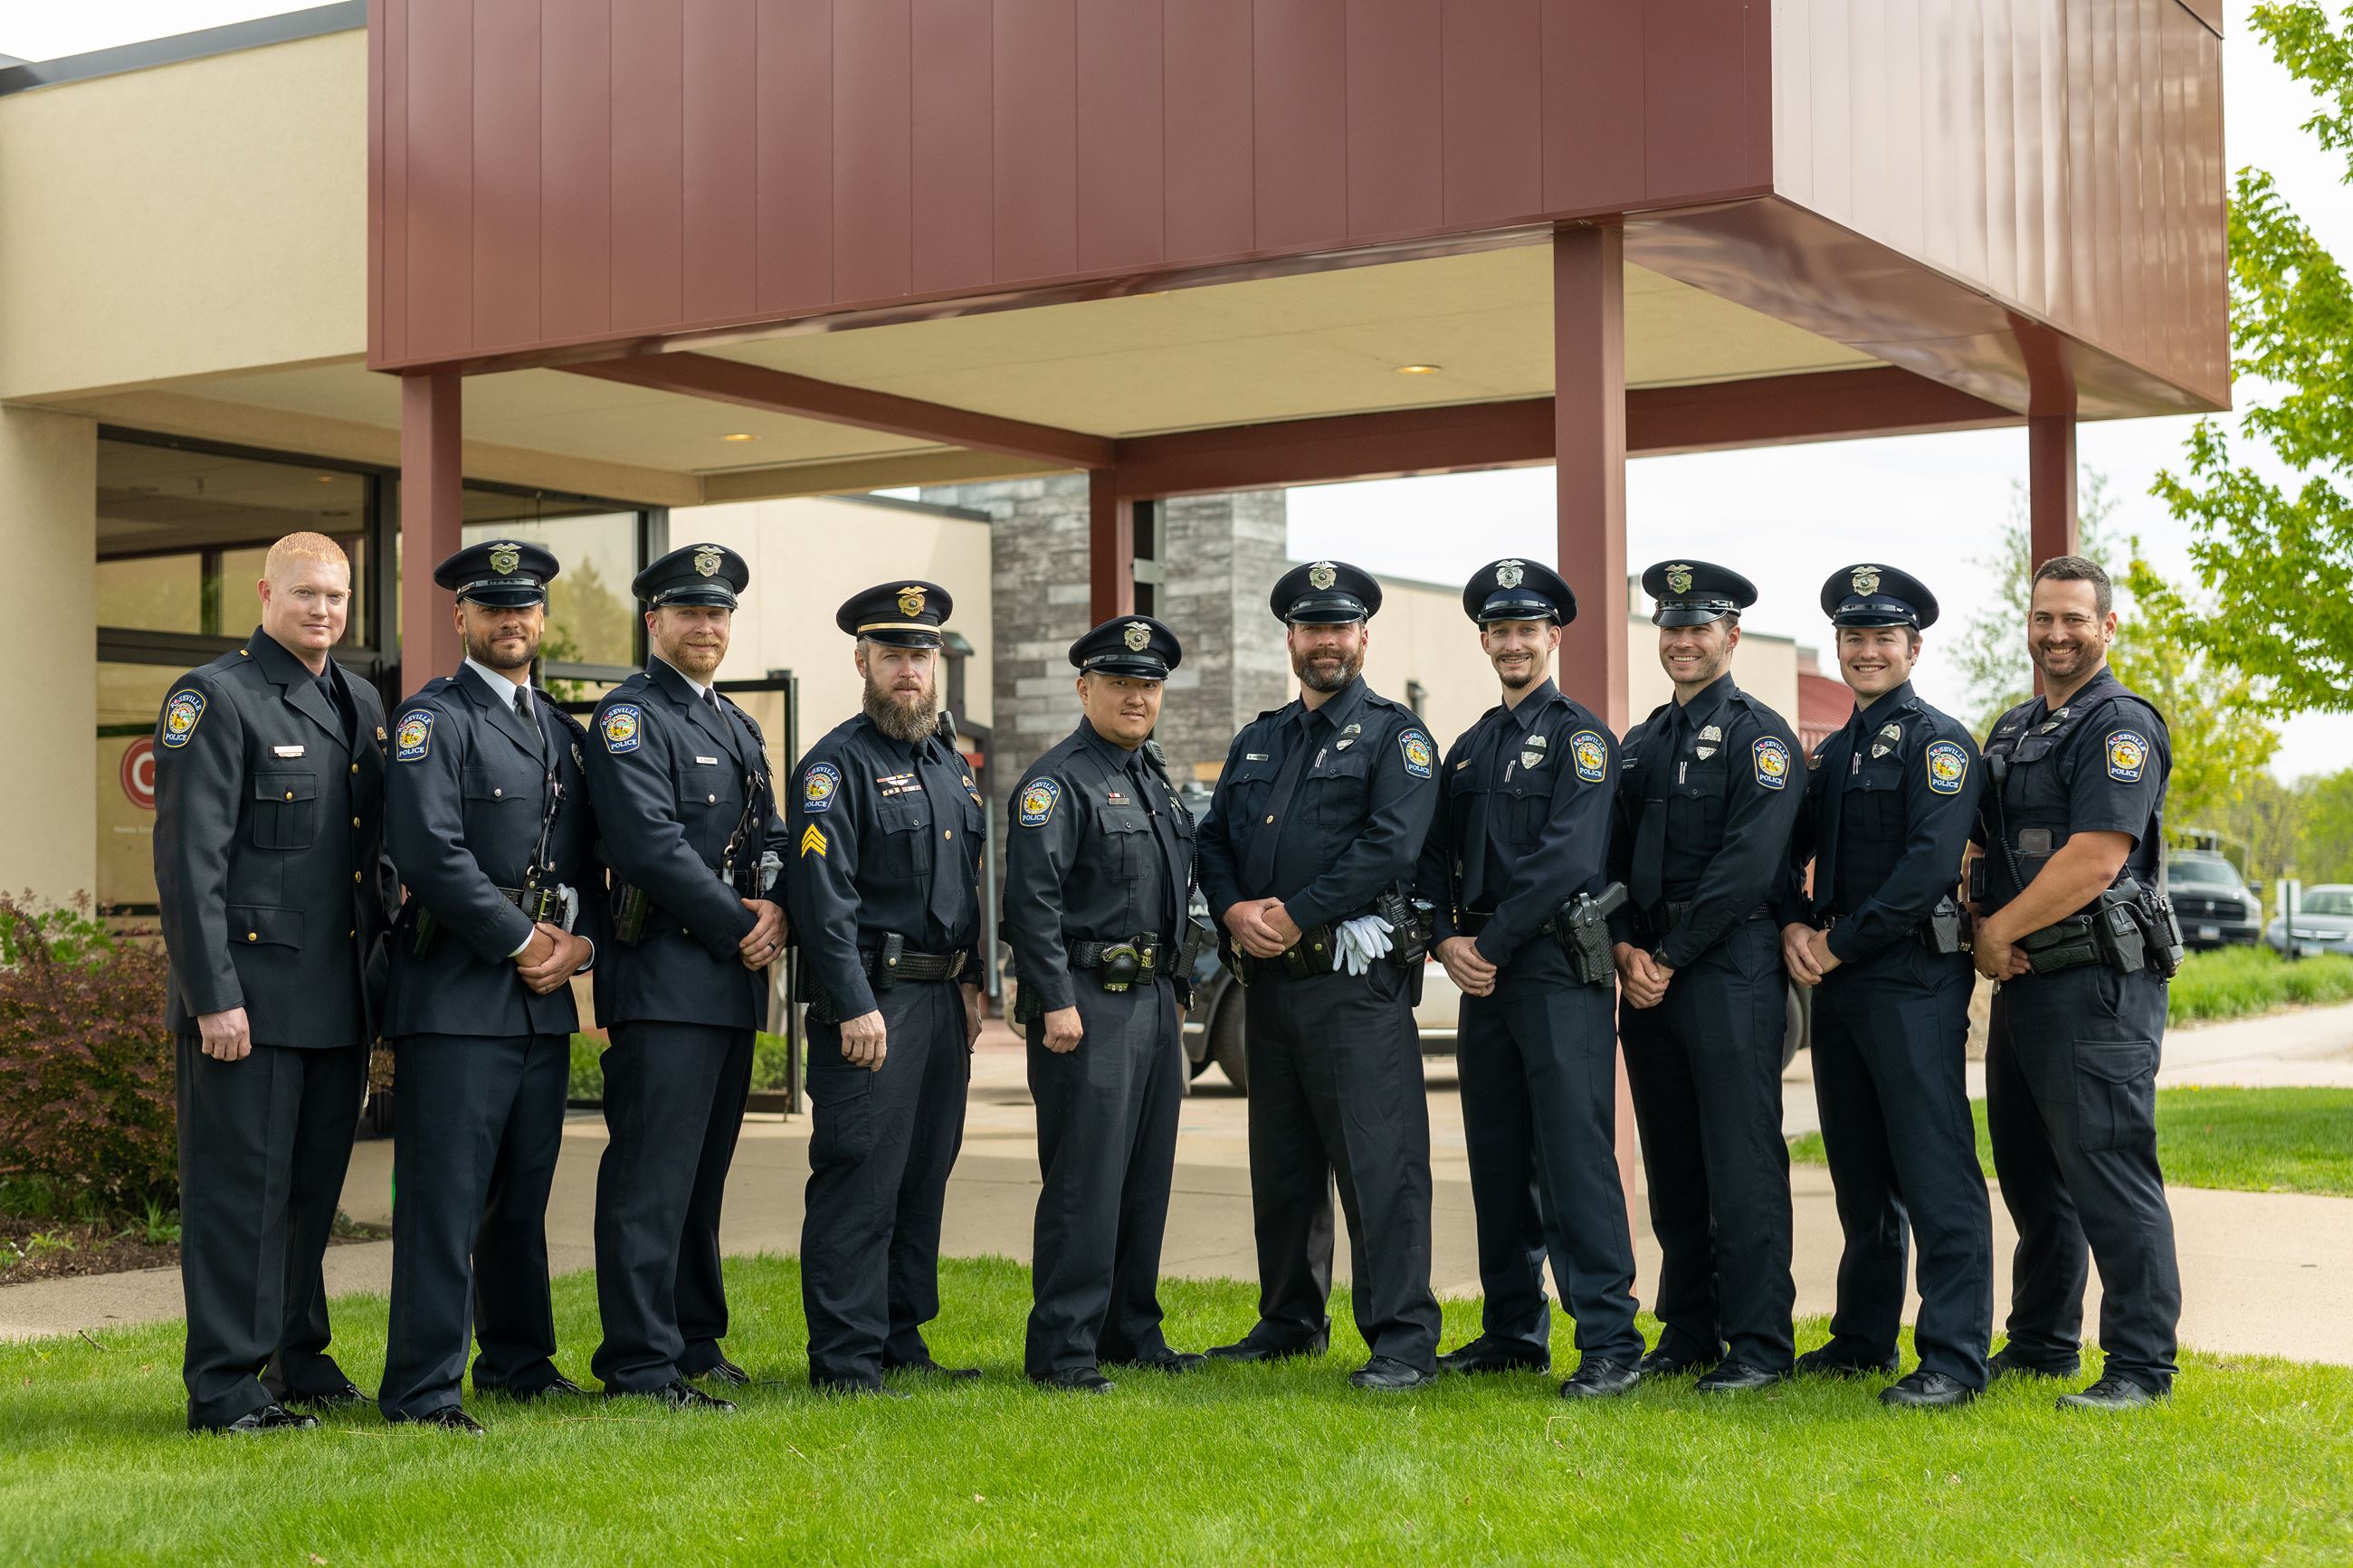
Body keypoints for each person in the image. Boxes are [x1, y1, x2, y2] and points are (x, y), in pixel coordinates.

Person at [152, 531, 399, 1434]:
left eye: (335, 595)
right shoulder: (216, 697)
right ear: (264, 593)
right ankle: (224, 1384)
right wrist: (212, 993)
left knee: (308, 1191)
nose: (323, 609)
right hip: (247, 1003)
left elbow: (366, 861)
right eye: (305, 594)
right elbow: (189, 864)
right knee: (238, 1197)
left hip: (335, 997)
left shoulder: (359, 697)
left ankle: (298, 1353)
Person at [1194, 559, 1444, 1392]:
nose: (1325, 642)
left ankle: (1403, 1340)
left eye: (1340, 628)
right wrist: (1233, 910)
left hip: (1352, 987)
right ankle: (1289, 1319)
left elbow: (1391, 845)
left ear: (1363, 637)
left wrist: (1295, 912)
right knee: (1286, 1165)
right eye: (1311, 628)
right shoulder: (1259, 737)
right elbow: (1214, 840)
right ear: (1291, 639)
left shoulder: (1394, 735)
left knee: (1381, 1165)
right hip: (1272, 987)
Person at [377, 541, 601, 1433]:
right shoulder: (432, 720)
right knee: (443, 1201)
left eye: (527, 607)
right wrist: (520, 940)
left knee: (522, 1195)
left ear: (543, 620)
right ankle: (422, 1388)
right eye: (494, 607)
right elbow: (430, 853)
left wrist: (578, 945)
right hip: (457, 998)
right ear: (461, 619)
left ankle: (517, 1359)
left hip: (541, 1003)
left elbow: (588, 857)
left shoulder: (561, 728)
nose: (513, 621)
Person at [1415, 559, 1645, 1400]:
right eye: (1499, 630)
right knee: (1500, 1154)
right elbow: (1433, 855)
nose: (1513, 643)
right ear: (1484, 639)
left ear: (1554, 637)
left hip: (1553, 970)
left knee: (1575, 1156)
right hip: (1484, 976)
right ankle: (1514, 1329)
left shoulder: (1584, 738)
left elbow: (1570, 858)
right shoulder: (1470, 747)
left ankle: (1611, 1342)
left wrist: (1490, 942)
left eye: (1528, 629)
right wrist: (1445, 939)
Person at [1774, 564, 1993, 1410]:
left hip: (1910, 981)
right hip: (1843, 985)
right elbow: (1788, 851)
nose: (1866, 652)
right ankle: (1864, 1335)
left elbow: (1926, 872)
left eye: (1882, 639)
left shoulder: (1939, 742)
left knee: (1935, 1173)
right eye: (1853, 638)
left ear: (1914, 647)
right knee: (1860, 1173)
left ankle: (1953, 1357)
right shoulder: (1836, 750)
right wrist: (1796, 920)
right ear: (1838, 646)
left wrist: (1833, 944)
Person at [1971, 556, 2184, 1411]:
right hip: (2024, 984)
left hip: (2096, 986)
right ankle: (2043, 1343)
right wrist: (1981, 915)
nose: (2056, 633)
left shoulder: (2119, 724)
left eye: (2074, 619)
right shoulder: (2013, 727)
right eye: (2044, 618)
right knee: (2032, 1178)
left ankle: (2140, 1366)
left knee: (2110, 1173)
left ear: (2107, 626)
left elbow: (2096, 858)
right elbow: (1982, 842)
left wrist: (1996, 931)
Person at [582, 542, 787, 1412]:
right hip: (664, 975)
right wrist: (742, 921)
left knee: (703, 1177)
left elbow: (772, 834)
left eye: (720, 614)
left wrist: (775, 902)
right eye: (690, 612)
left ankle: (696, 1339)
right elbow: (648, 846)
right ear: (654, 620)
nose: (707, 627)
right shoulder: (630, 718)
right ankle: (638, 1361)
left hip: (728, 983)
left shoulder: (736, 724)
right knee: (650, 1180)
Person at [1608, 559, 1805, 1394]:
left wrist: (1669, 955)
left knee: (1743, 1161)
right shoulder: (1644, 739)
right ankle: (1688, 1329)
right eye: (1671, 627)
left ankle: (1759, 1342)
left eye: (1700, 627)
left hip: (1729, 966)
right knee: (1674, 1160)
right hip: (1648, 969)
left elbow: (1747, 868)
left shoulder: (1763, 739)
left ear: (1732, 635)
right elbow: (1606, 858)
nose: (1683, 641)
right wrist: (1624, 948)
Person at [786, 581, 986, 1397]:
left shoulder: (951, 766)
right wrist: (852, 1000)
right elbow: (819, 896)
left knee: (921, 1175)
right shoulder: (835, 766)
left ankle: (902, 1339)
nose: (910, 670)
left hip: (941, 1002)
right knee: (859, 1177)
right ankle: (844, 1357)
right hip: (872, 1000)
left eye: (922, 654)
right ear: (862, 661)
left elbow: (971, 888)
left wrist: (975, 983)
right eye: (894, 654)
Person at [1003, 616, 1207, 1393]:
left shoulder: (1150, 779)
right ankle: (1063, 1349)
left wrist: (1178, 994)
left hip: (1153, 1003)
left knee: (1144, 1177)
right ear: (1084, 686)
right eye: (1120, 681)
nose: (1136, 695)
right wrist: (1054, 1000)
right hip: (1085, 1004)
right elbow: (1032, 901)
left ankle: (1131, 1329)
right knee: (1085, 1181)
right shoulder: (1059, 781)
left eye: (1149, 684)